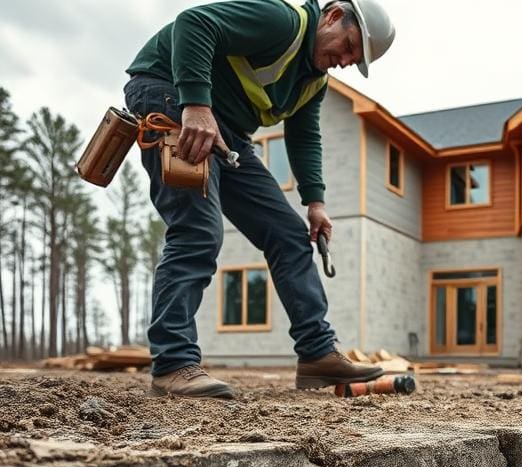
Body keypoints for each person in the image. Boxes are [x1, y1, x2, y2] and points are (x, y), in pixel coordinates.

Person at [124, 0, 395, 398]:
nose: (345, 60)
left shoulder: (313, 81)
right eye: (349, 46)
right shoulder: (282, 22)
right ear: (333, 15)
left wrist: (315, 202)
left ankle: (317, 355)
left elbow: (305, 136)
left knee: (287, 233)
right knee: (197, 230)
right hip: (168, 95)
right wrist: (196, 105)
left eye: (354, 59)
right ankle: (173, 364)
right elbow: (194, 23)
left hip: (229, 131)